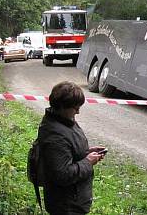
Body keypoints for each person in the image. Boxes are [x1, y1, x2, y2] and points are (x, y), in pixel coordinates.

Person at [37, 81, 106, 215]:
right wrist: (88, 162)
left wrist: (86, 152)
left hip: (73, 200)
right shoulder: (55, 135)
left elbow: (68, 150)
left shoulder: (64, 120)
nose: (78, 111)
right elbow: (62, 174)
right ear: (62, 106)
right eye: (75, 108)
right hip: (66, 205)